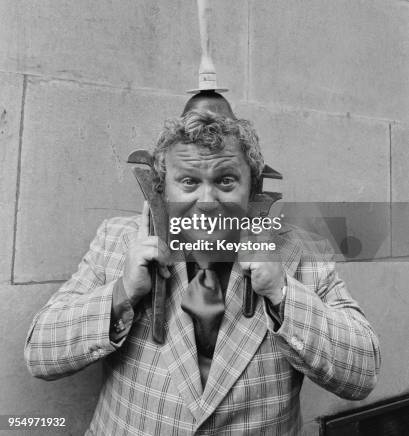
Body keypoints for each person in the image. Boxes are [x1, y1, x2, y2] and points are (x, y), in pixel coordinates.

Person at [25, 108, 380, 435]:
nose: (207, 201)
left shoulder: (302, 253)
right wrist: (122, 293)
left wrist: (282, 292)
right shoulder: (118, 240)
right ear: (163, 191)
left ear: (252, 189)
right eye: (189, 182)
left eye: (226, 181)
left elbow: (362, 374)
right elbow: (40, 354)